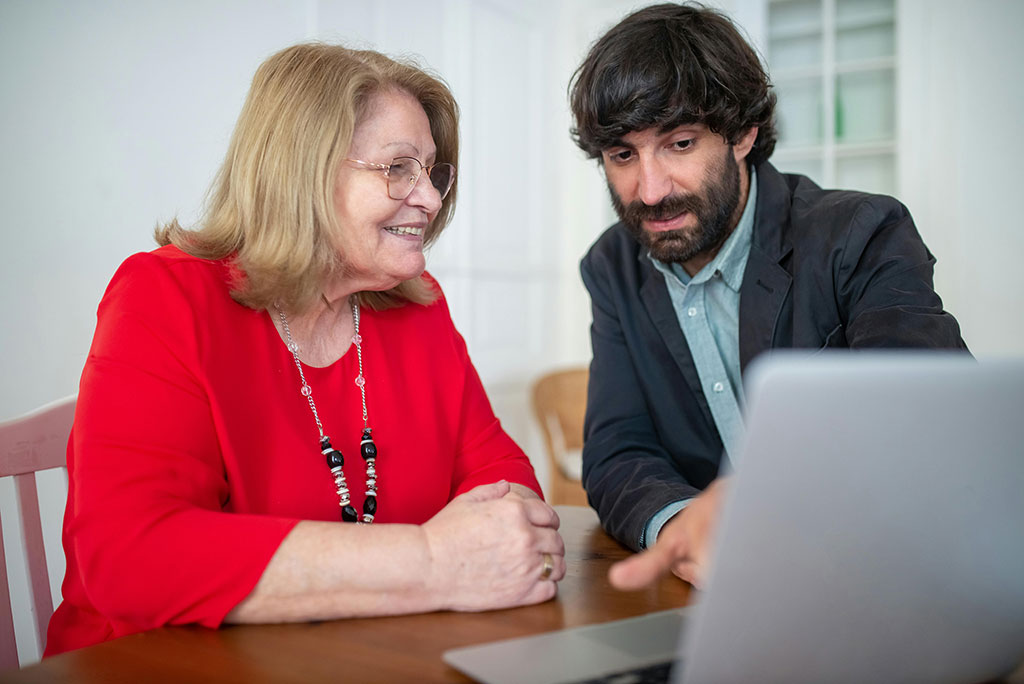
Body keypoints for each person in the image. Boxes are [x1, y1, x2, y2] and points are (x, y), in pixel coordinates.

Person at [46, 43, 565, 656]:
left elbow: (499, 474)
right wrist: (431, 559)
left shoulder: (419, 307)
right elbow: (132, 559)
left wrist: (504, 541)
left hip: (358, 658)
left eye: (432, 172)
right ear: (303, 173)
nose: (430, 197)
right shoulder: (164, 297)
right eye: (399, 167)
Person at [569, 3, 967, 592]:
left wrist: (769, 510)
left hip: (879, 574)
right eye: (623, 155)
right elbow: (617, 451)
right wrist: (685, 528)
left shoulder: (862, 234)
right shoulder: (612, 267)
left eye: (680, 144)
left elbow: (931, 424)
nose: (649, 191)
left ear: (744, 134)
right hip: (719, 592)